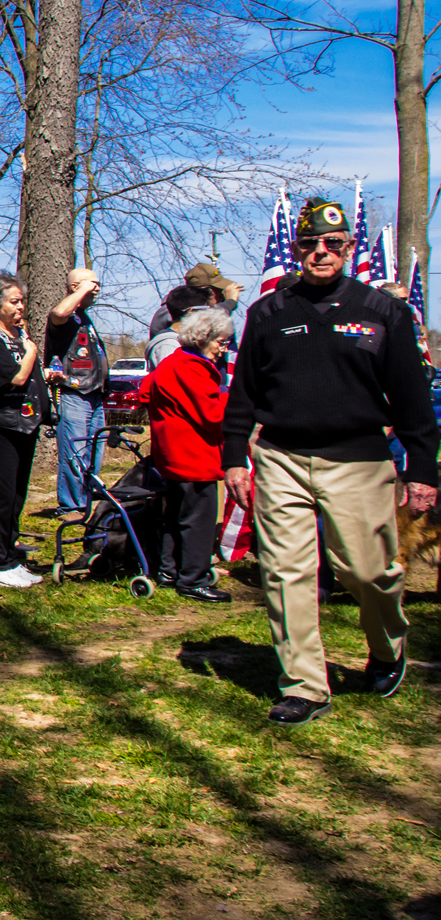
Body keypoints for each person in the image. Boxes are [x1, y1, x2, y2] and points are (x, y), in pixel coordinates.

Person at [222, 198, 439, 727]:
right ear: (297, 250)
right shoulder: (269, 312)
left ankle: (388, 648)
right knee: (285, 572)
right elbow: (243, 395)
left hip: (360, 460)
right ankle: (304, 686)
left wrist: (423, 471)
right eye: (310, 244)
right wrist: (234, 458)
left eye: (333, 244)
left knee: (368, 571)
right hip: (281, 459)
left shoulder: (382, 311)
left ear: (348, 249)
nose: (321, 253)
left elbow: (412, 399)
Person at [139, 308, 234, 602]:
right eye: (221, 341)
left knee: (175, 515)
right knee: (199, 519)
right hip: (194, 456)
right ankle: (194, 579)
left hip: (171, 455)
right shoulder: (192, 367)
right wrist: (236, 398)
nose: (223, 349)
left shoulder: (172, 362)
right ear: (204, 338)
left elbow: (144, 391)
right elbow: (213, 413)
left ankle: (171, 571)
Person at [0, 274, 48, 588]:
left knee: (16, 496)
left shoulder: (17, 336)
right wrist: (31, 352)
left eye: (22, 302)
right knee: (1, 496)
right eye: (14, 302)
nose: (21, 308)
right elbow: (15, 378)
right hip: (0, 425)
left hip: (25, 423)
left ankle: (9, 556)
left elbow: (31, 377)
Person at [45, 267, 109, 518]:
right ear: (75, 287)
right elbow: (59, 312)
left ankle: (86, 501)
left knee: (94, 451)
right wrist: (83, 288)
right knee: (75, 452)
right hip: (73, 393)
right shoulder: (63, 317)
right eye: (93, 284)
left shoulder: (84, 317)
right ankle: (70, 506)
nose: (97, 289)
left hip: (94, 394)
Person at [149, 262, 241, 337]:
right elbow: (208, 318)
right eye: (218, 291)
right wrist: (230, 302)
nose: (221, 296)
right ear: (205, 291)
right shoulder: (171, 309)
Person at [146, 284, 220, 371]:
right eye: (206, 310)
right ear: (192, 312)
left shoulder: (185, 342)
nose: (209, 316)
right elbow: (172, 381)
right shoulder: (168, 346)